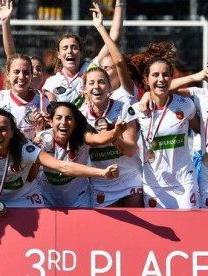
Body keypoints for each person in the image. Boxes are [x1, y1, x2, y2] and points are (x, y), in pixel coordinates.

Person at [0, 108, 119, 208]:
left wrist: (102, 173)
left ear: (12, 132)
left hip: (24, 201)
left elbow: (64, 167)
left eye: (3, 129)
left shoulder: (26, 149)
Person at [132, 57, 200, 209]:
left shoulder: (186, 105)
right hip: (154, 183)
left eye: (166, 74)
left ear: (171, 77)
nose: (161, 79)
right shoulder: (137, 110)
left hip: (184, 180)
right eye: (155, 75)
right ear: (146, 79)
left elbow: (200, 130)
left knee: (189, 228)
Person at [35, 102, 125, 207]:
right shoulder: (43, 139)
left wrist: (116, 132)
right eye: (58, 118)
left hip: (79, 199)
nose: (63, 122)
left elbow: (99, 138)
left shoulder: (82, 136)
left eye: (69, 118)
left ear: (75, 123)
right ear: (51, 121)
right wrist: (103, 173)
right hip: (49, 199)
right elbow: (64, 168)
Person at [80, 66, 143, 207]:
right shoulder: (81, 116)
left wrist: (114, 137)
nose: (97, 86)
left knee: (137, 228)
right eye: (91, 83)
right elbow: (89, 143)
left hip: (129, 178)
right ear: (84, 89)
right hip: (102, 181)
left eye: (101, 82)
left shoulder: (124, 108)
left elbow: (131, 150)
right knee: (107, 229)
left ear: (109, 87)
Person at [42, 0, 126, 103]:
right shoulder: (52, 82)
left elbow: (113, 39)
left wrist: (119, 4)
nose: (70, 51)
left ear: (81, 52)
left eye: (74, 47)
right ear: (59, 54)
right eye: (65, 48)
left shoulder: (90, 68)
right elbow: (51, 109)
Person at [0, 54, 50, 140]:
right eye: (16, 72)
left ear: (31, 75)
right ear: (8, 75)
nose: (21, 77)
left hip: (32, 152)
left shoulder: (43, 102)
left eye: (26, 72)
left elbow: (51, 135)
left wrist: (40, 132)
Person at [90, 2, 137, 104]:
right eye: (102, 67)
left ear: (119, 71)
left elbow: (118, 59)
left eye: (107, 68)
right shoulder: (92, 79)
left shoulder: (125, 90)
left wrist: (119, 4)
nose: (102, 70)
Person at [0, 0, 45, 90]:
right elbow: (11, 56)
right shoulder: (7, 95)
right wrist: (5, 22)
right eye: (30, 69)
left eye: (39, 69)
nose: (35, 72)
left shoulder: (45, 99)